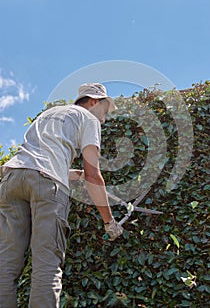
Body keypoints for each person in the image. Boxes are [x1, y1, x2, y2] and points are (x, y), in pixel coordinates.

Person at [0, 83, 123, 308]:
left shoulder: (48, 115)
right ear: (94, 102)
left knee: (6, 263)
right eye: (105, 112)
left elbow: (36, 164)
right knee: (47, 262)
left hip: (11, 179)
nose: (104, 120)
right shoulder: (89, 119)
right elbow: (94, 175)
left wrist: (75, 175)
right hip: (47, 186)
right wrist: (109, 222)